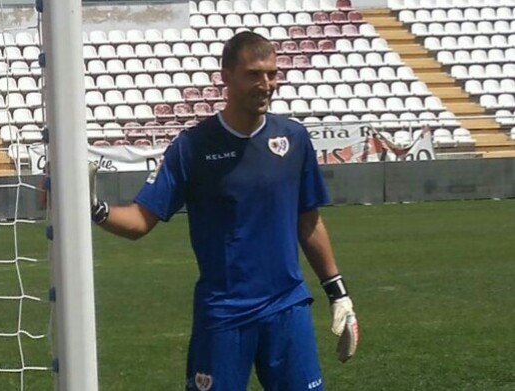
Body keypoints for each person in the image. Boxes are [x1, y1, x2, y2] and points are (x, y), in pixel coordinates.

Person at [90, 31, 358, 391]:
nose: (266, 84)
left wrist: (338, 294)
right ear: (226, 76)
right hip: (225, 314)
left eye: (272, 74)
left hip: (288, 306)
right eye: (254, 74)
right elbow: (140, 221)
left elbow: (308, 221)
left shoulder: (293, 138)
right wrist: (92, 208)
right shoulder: (192, 147)